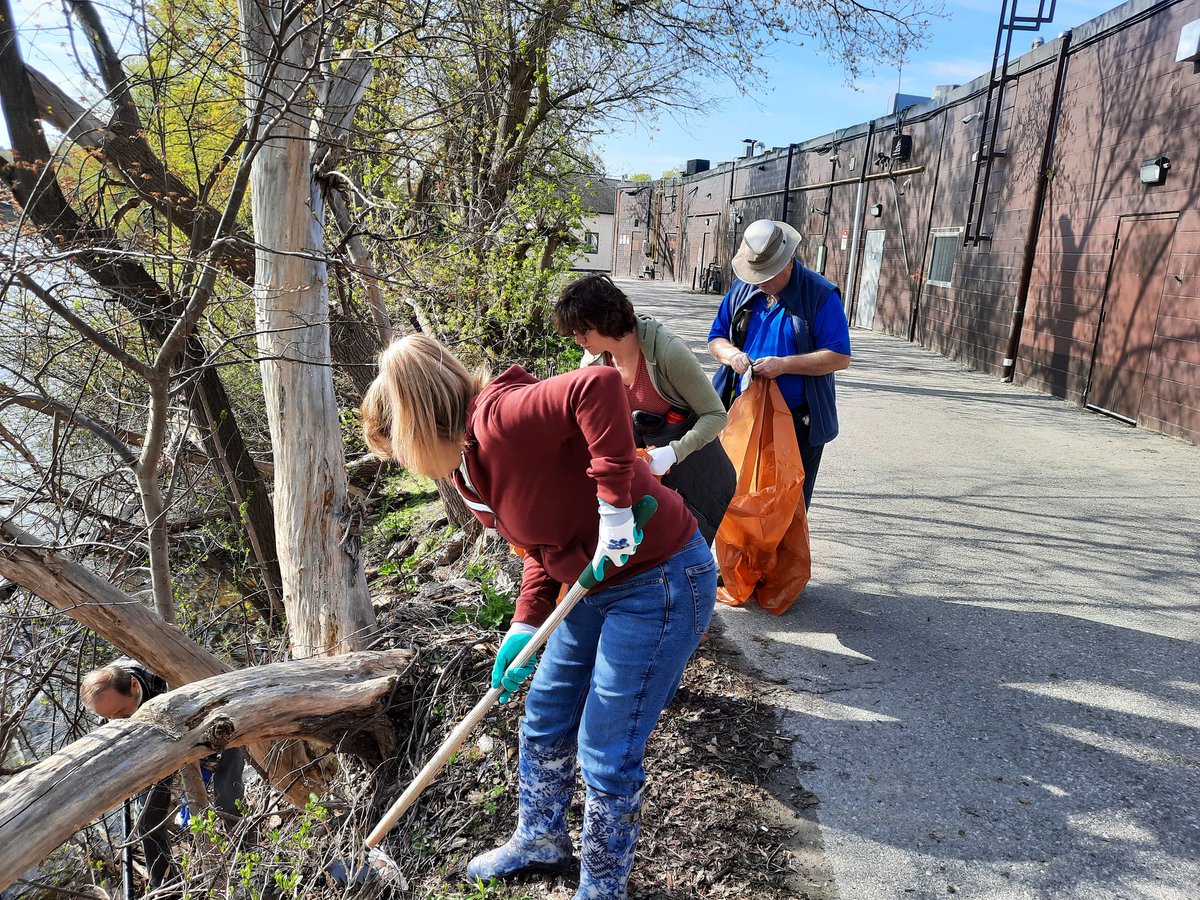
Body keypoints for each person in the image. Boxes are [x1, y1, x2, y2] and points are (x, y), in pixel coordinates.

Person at [362, 334, 716, 900]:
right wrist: (524, 625)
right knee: (546, 713)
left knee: (607, 744)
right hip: (592, 584)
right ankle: (541, 840)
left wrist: (615, 508)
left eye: (399, 454)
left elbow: (599, 386)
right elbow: (541, 551)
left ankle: (602, 888)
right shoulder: (467, 468)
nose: (408, 468)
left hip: (661, 580)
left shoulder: (502, 418)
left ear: (418, 427)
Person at [554, 273, 735, 543]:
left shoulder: (667, 352)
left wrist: (674, 453)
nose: (578, 340)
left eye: (583, 331)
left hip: (693, 465)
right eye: (574, 333)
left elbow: (716, 415)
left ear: (607, 320)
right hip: (647, 472)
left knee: (688, 548)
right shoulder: (595, 361)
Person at [708, 219, 852, 508]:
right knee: (739, 498)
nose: (760, 282)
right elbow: (716, 339)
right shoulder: (742, 290)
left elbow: (839, 356)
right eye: (755, 275)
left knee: (787, 505)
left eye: (768, 275)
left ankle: (782, 554)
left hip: (798, 422)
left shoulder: (820, 295)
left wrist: (784, 364)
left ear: (788, 263)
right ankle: (746, 553)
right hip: (744, 415)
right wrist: (732, 355)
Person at [82, 660, 245, 889]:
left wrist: (203, 771)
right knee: (148, 819)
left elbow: (215, 717)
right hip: (154, 746)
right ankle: (165, 882)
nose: (118, 722)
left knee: (228, 797)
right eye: (110, 718)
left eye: (121, 712)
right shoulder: (109, 709)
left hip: (216, 726)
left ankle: (248, 855)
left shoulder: (163, 676)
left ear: (134, 686)